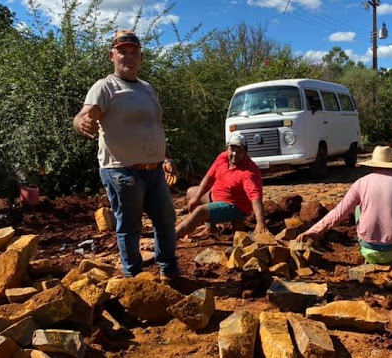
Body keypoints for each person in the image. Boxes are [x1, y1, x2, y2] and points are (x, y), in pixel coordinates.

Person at [73, 30, 179, 282]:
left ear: (140, 57)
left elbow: (155, 127)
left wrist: (167, 158)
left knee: (165, 219)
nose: (128, 57)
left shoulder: (147, 88)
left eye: (134, 52)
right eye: (122, 52)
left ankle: (169, 270)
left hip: (153, 170)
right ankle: (133, 278)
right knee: (130, 227)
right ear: (112, 56)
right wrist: (81, 123)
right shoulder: (105, 87)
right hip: (122, 171)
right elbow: (85, 114)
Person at [296, 146, 392, 265]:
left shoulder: (360, 183)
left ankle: (374, 246)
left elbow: (338, 213)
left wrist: (312, 231)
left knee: (358, 207)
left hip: (368, 250)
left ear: (372, 165)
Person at [176, 133, 268, 238]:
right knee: (191, 192)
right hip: (216, 196)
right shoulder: (222, 157)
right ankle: (211, 229)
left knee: (200, 211)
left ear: (245, 152)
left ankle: (170, 238)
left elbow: (255, 197)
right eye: (232, 149)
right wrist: (196, 198)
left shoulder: (248, 172)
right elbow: (209, 178)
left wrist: (261, 223)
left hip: (234, 206)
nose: (234, 154)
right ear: (227, 149)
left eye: (239, 150)